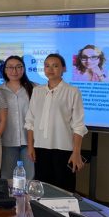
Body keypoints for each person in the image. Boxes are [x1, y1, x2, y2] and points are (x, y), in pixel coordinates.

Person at [26, 53, 88, 192]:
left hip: (64, 149)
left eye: (55, 65)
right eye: (47, 66)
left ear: (63, 68)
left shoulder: (72, 91)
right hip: (40, 148)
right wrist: (30, 146)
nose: (50, 69)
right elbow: (30, 121)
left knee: (64, 190)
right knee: (43, 191)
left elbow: (78, 125)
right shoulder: (37, 91)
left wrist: (76, 152)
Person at [0, 55, 35, 180]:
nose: (14, 71)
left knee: (29, 177)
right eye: (10, 67)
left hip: (29, 141)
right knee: (7, 177)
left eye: (18, 67)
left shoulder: (35, 88)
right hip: (7, 140)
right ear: (5, 70)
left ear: (23, 69)